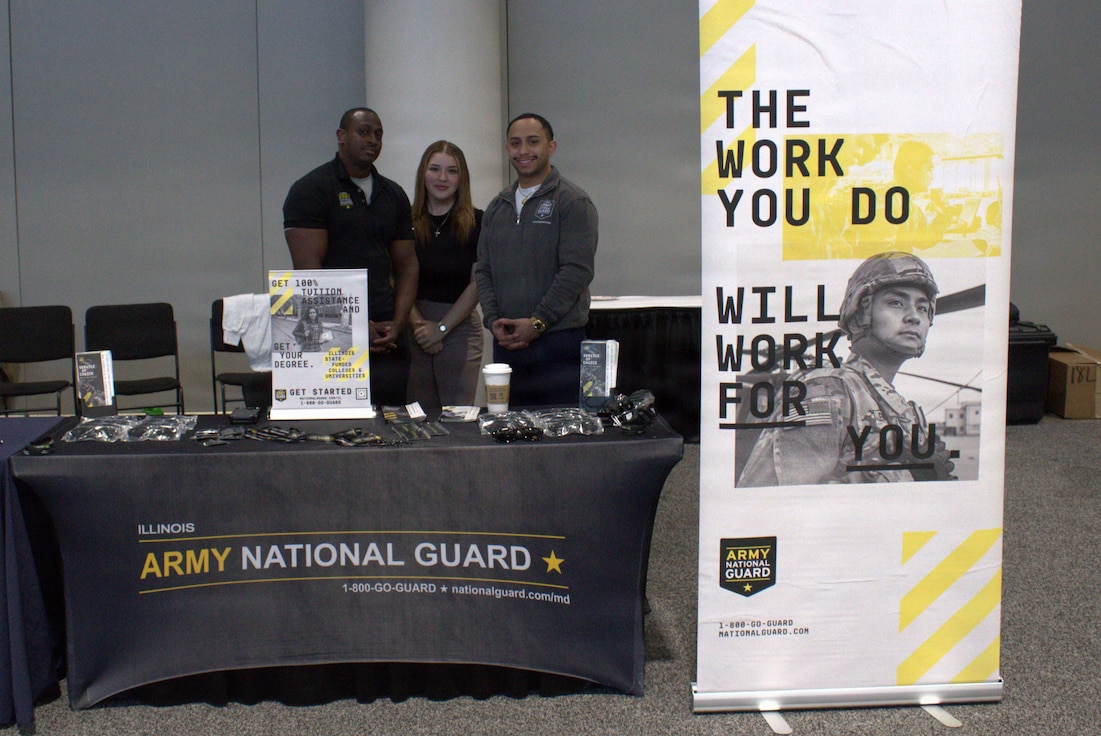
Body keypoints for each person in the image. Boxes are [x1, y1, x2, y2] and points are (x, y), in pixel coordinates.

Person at [738, 252, 957, 485]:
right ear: (858, 314)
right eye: (896, 303)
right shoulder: (825, 390)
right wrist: (906, 476)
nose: (914, 317)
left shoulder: (895, 405)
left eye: (923, 308)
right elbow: (786, 502)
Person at [282, 107, 418, 405]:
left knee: (392, 424)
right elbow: (309, 272)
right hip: (332, 332)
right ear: (341, 136)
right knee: (337, 430)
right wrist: (355, 326)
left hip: (386, 333)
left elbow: (407, 265)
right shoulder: (311, 190)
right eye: (364, 131)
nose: (373, 140)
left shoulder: (392, 194)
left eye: (378, 134)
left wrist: (399, 322)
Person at [474, 113, 598, 407]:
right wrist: (492, 322)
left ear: (551, 146)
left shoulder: (572, 202)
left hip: (558, 343)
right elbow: (483, 269)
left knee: (560, 438)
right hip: (507, 345)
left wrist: (537, 322)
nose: (523, 151)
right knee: (511, 436)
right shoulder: (497, 206)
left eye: (533, 142)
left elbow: (576, 272)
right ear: (507, 150)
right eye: (515, 144)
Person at [406, 140, 484, 411]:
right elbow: (395, 278)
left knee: (457, 421)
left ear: (462, 178)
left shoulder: (478, 222)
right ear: (422, 174)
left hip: (459, 329)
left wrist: (440, 330)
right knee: (416, 422)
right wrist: (420, 328)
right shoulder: (403, 221)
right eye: (435, 169)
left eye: (452, 171)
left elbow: (477, 284)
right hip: (413, 328)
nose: (442, 178)